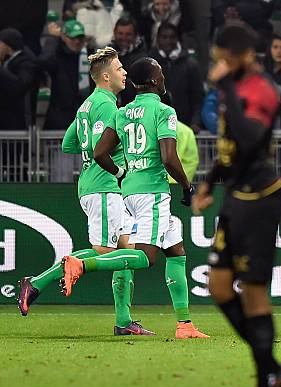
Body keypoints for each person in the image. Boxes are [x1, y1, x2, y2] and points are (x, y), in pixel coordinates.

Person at [57, 57, 208, 339]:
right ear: (153, 81)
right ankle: (82, 264)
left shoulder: (122, 112)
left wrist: (120, 172)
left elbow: (100, 153)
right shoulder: (164, 111)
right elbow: (168, 157)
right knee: (145, 258)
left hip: (127, 191)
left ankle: (184, 325)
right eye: (161, 74)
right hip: (152, 192)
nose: (164, 78)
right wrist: (187, 186)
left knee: (175, 250)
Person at [191, 23, 281, 387]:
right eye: (216, 59)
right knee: (219, 286)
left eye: (224, 59)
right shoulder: (230, 88)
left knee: (252, 291)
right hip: (236, 197)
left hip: (261, 199)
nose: (218, 66)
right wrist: (209, 182)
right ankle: (272, 369)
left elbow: (250, 138)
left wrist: (228, 90)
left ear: (245, 57)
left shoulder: (261, 89)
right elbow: (232, 148)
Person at [18, 47, 156, 336]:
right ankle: (39, 282)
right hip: (104, 187)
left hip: (96, 187)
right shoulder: (107, 105)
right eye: (119, 69)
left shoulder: (87, 106)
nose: (125, 72)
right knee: (104, 254)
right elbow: (97, 148)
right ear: (106, 76)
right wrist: (122, 162)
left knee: (125, 253)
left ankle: (124, 321)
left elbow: (69, 144)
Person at [39, 19, 93, 129]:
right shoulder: (57, 57)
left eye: (80, 38)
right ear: (63, 37)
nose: (77, 41)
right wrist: (54, 38)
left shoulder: (92, 57)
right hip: (60, 120)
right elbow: (43, 62)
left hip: (86, 120)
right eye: (73, 38)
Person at [150, 22, 203, 133]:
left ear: (177, 39)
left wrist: (195, 122)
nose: (168, 41)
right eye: (164, 37)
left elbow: (198, 97)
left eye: (172, 37)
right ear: (158, 39)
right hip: (154, 126)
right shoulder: (148, 63)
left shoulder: (190, 65)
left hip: (184, 127)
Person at [0, 28, 38, 130]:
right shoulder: (6, 62)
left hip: (18, 122)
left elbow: (19, 85)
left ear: (7, 45)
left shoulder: (26, 63)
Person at [161, 93, 200, 183]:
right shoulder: (187, 131)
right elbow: (192, 161)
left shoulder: (147, 128)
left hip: (153, 185)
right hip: (178, 183)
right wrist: (183, 181)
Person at [109, 17, 148, 106]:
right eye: (120, 34)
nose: (124, 38)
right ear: (114, 33)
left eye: (128, 34)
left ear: (135, 35)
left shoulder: (143, 59)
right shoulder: (107, 55)